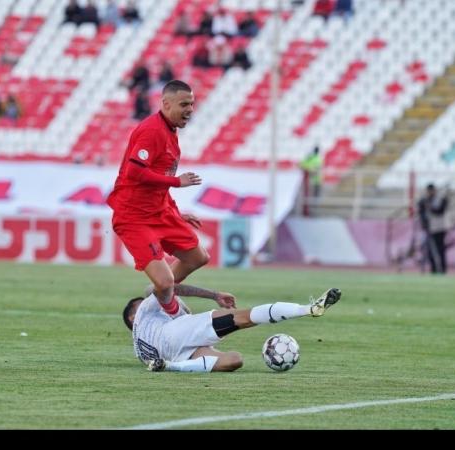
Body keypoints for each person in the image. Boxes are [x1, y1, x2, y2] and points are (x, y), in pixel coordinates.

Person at [107, 80, 206, 317]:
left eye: (191, 104)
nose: (190, 109)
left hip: (160, 212)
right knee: (165, 282)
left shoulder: (170, 133)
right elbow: (135, 171)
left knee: (197, 257)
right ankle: (172, 317)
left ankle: (157, 295)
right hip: (134, 217)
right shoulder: (152, 131)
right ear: (166, 104)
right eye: (184, 104)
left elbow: (157, 181)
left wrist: (176, 212)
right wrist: (177, 182)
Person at [123, 285, 342, 372]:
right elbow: (163, 285)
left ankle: (169, 367)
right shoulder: (143, 311)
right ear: (133, 315)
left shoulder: (139, 349)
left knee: (234, 359)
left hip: (173, 352)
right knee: (244, 317)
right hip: (175, 334)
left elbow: (184, 316)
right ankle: (308, 309)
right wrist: (214, 295)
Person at [418, 183, 449, 274]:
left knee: (440, 249)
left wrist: (429, 206)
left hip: (439, 227)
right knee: (430, 250)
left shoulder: (440, 199)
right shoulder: (424, 201)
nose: (430, 193)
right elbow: (421, 211)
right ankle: (434, 269)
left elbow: (440, 210)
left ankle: (442, 269)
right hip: (429, 228)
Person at [300, 146, 323, 213]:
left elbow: (304, 165)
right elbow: (304, 165)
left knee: (313, 195)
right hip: (313, 180)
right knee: (313, 196)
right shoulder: (316, 158)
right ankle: (312, 209)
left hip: (313, 180)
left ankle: (313, 209)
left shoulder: (313, 158)